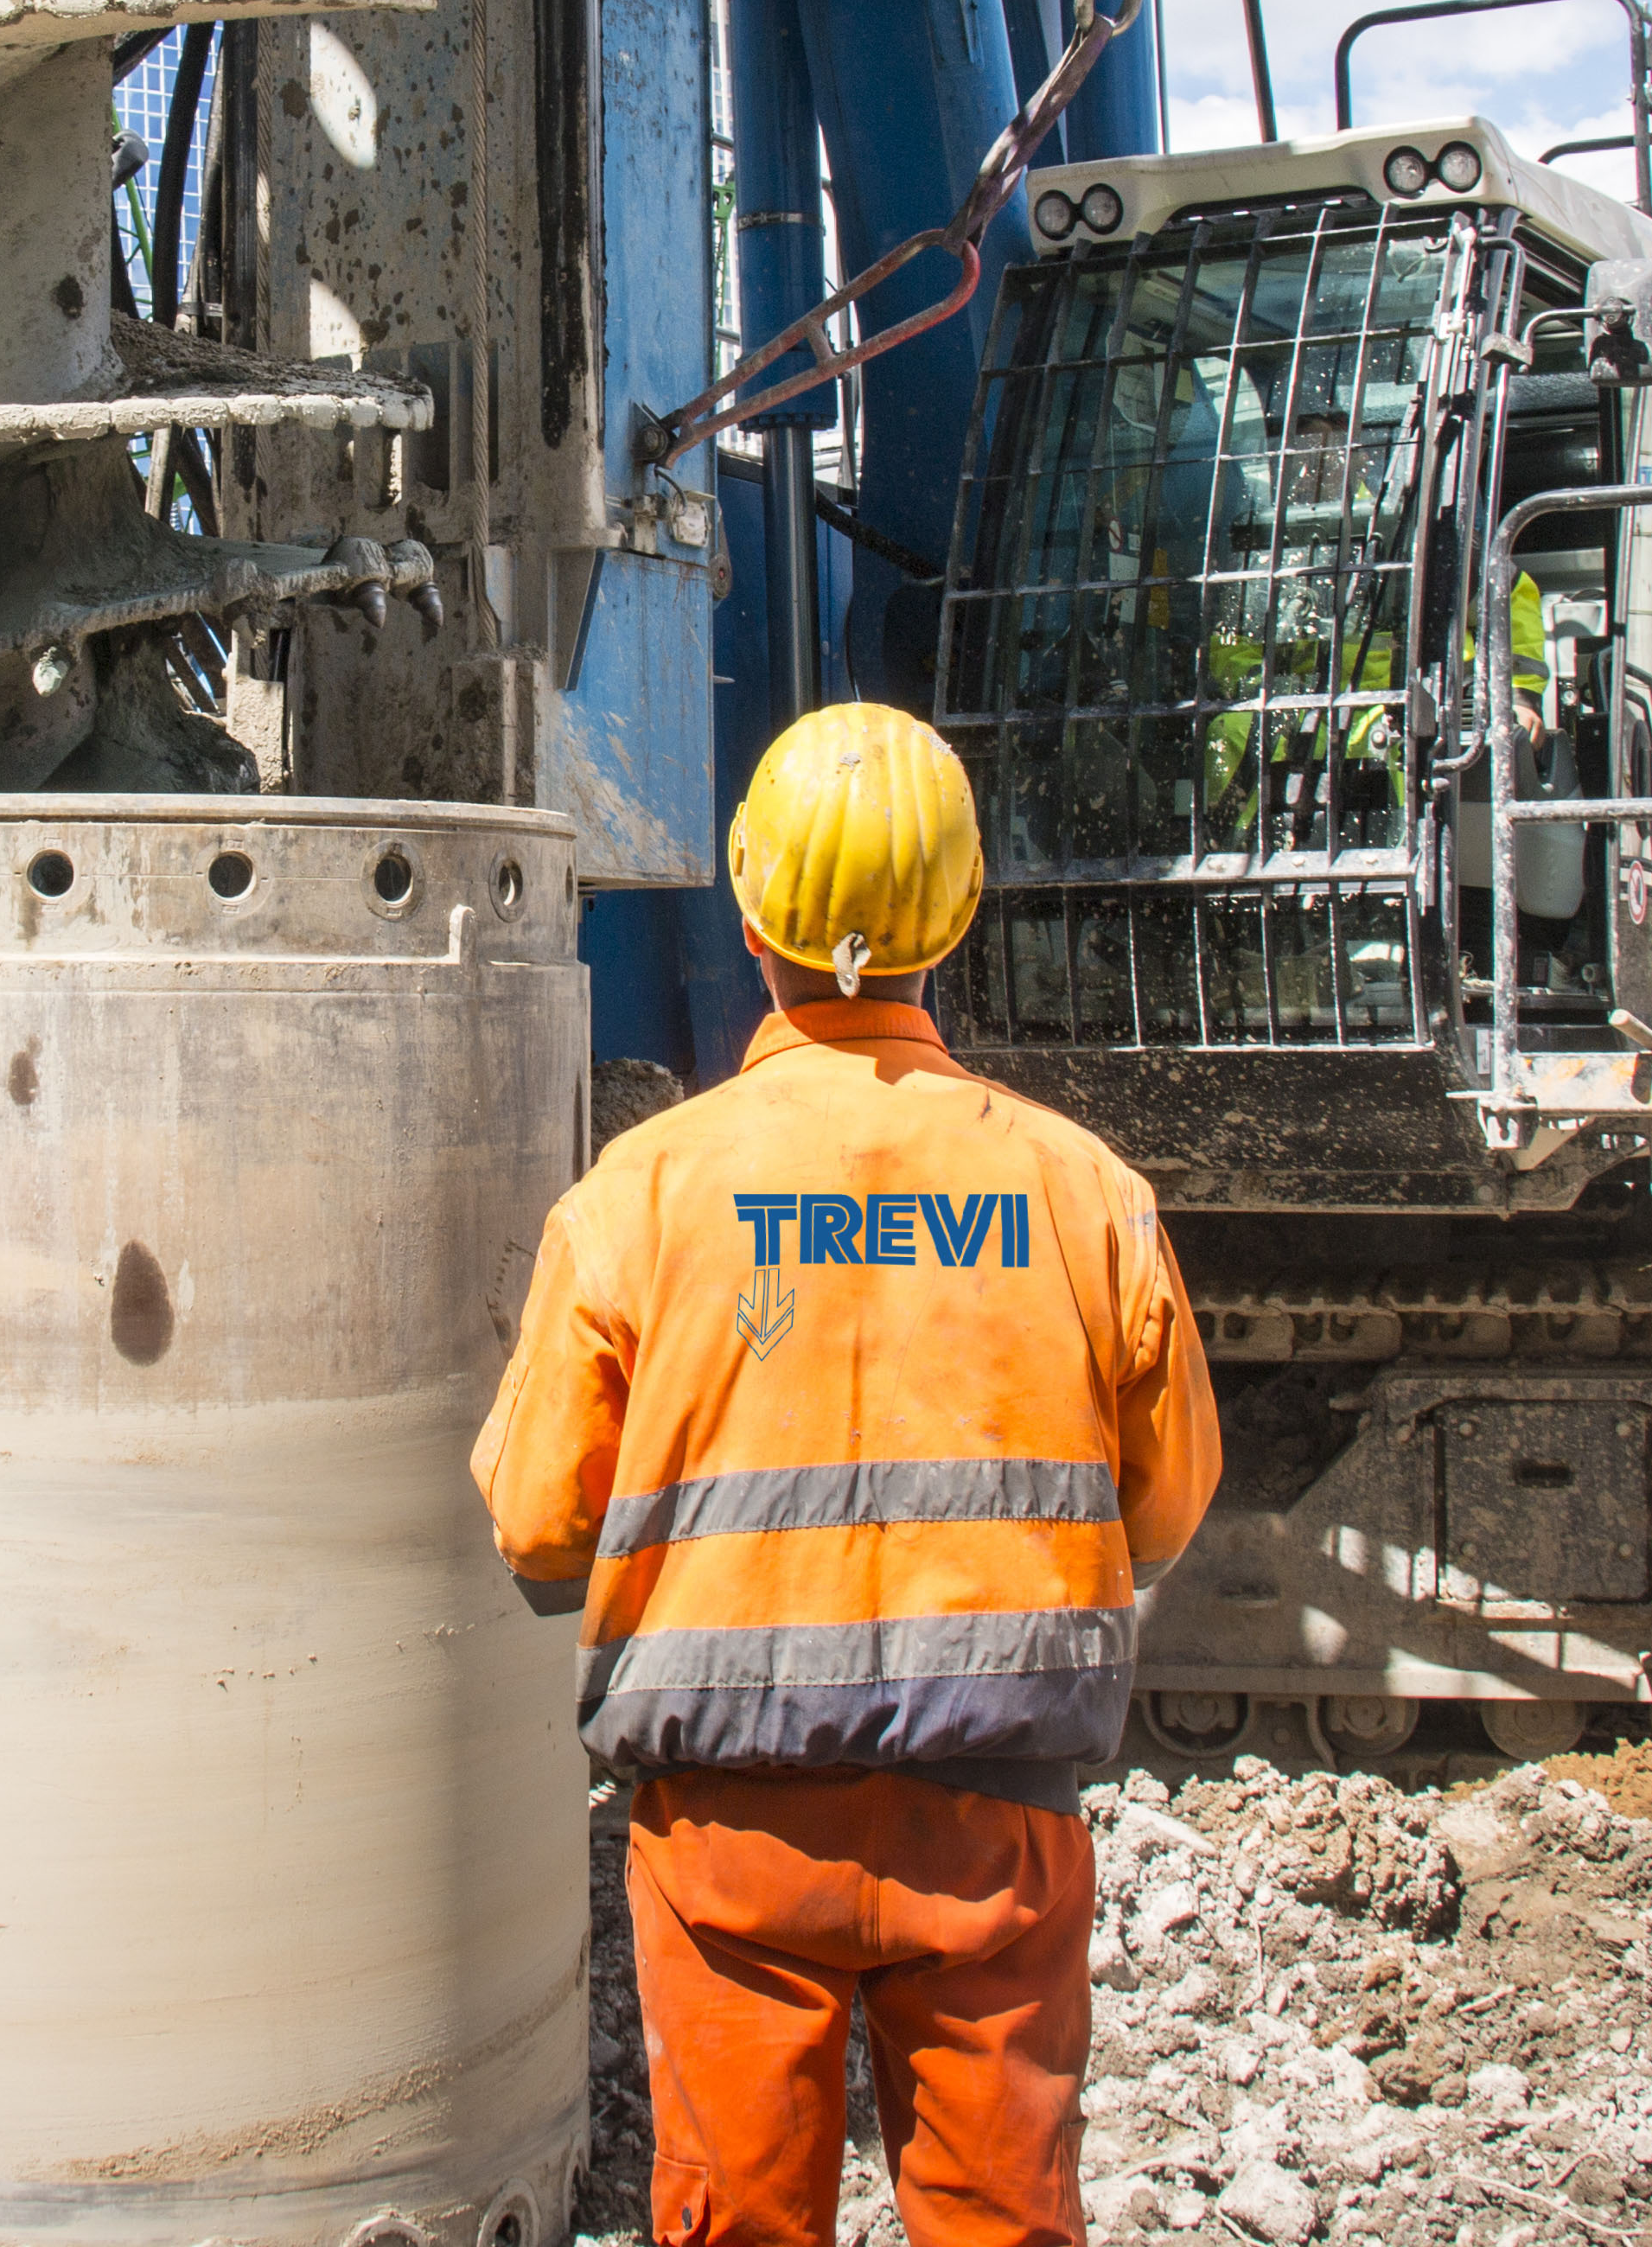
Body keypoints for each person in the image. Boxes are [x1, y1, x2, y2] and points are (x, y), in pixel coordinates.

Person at [473, 702, 1221, 2247]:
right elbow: (1160, 1512)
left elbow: (535, 1521)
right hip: (997, 1825)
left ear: (749, 911)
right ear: (956, 913)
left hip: (734, 1843)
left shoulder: (645, 1194)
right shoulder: (1085, 1195)